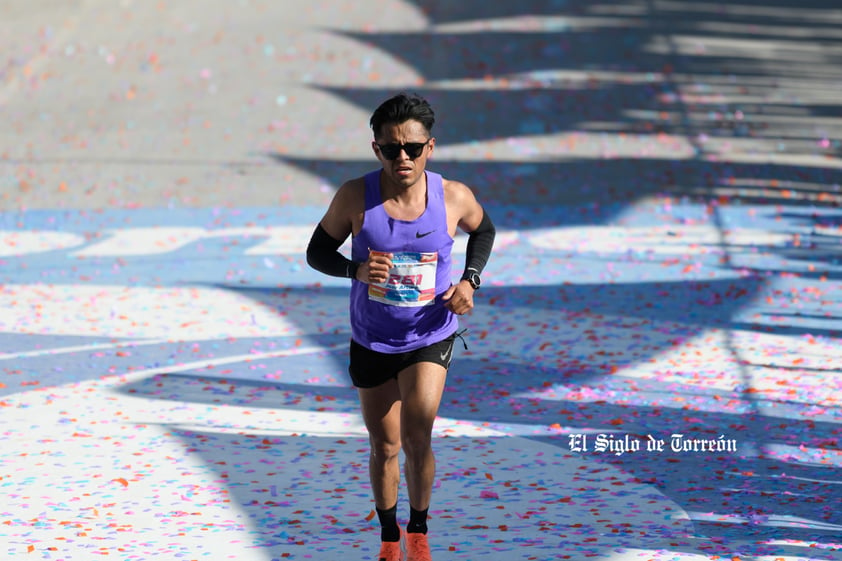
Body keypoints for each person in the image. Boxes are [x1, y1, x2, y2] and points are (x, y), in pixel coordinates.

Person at [306, 92, 495, 561]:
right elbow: (317, 253)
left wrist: (470, 281)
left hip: (430, 333)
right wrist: (354, 270)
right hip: (371, 337)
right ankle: (390, 536)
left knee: (417, 434)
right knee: (385, 444)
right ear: (377, 150)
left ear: (430, 147)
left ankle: (418, 530)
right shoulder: (354, 195)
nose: (402, 157)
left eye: (412, 147)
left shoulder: (453, 196)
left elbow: (484, 230)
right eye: (391, 149)